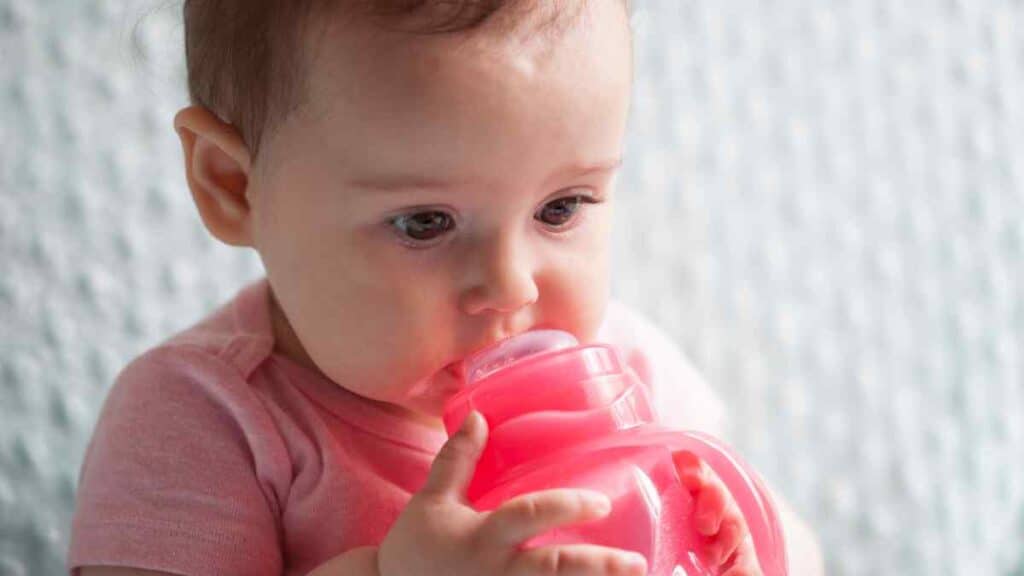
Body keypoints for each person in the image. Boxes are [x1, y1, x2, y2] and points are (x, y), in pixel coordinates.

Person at [69, 1, 824, 574]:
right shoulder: (203, 418)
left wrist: (734, 546)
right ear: (234, 186)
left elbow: (794, 544)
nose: (509, 286)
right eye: (425, 223)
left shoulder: (628, 369)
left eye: (560, 208)